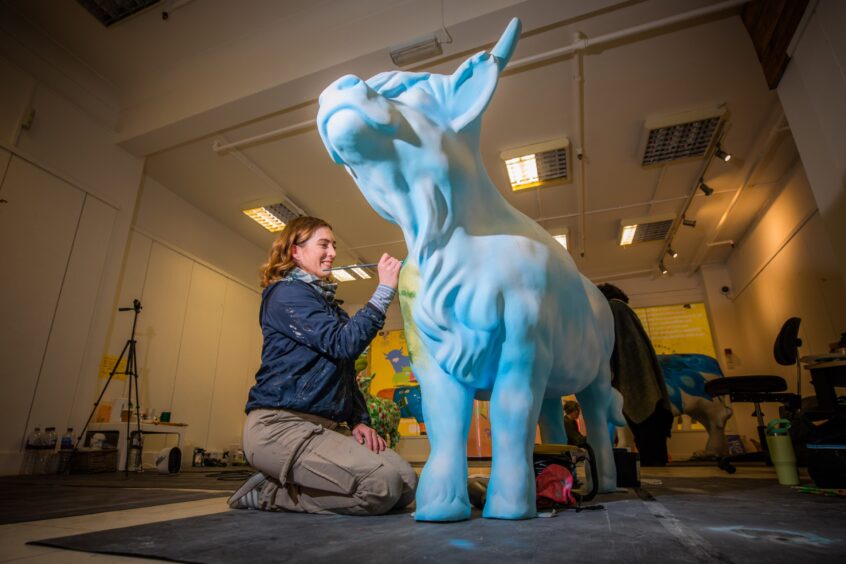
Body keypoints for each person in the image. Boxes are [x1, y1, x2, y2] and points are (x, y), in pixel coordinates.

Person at [228, 216, 417, 515]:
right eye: (323, 244)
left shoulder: (328, 305)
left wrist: (359, 421)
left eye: (334, 246)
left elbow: (345, 366)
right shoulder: (285, 295)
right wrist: (384, 291)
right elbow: (343, 343)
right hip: (279, 427)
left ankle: (293, 485)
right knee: (381, 487)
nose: (332, 252)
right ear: (295, 251)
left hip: (324, 427)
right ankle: (268, 493)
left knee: (406, 483)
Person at [598, 283, 673, 466]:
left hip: (636, 383)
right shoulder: (623, 309)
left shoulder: (613, 308)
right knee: (652, 444)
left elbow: (614, 346)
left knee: (649, 442)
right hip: (645, 384)